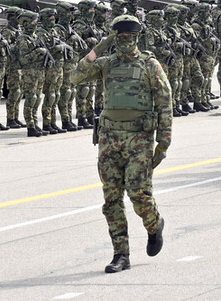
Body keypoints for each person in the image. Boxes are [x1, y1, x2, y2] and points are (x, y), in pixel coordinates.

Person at [70, 14, 171, 274]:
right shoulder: (106, 63)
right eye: (121, 35)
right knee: (111, 199)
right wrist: (99, 48)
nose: (126, 40)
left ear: (138, 37)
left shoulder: (150, 65)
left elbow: (164, 103)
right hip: (109, 139)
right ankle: (121, 254)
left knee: (139, 195)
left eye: (130, 35)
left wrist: (163, 143)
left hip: (139, 139)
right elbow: (75, 77)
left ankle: (153, 224)